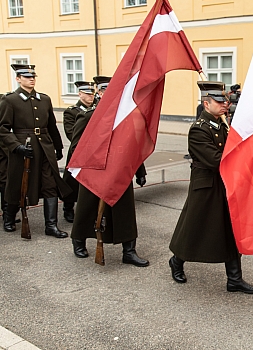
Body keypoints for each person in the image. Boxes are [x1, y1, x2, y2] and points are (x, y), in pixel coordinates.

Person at [168, 81, 253, 294]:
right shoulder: (199, 130)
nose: (224, 104)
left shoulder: (223, 126)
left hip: (225, 185)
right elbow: (216, 160)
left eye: (225, 101)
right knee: (195, 227)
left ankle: (234, 279)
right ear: (206, 104)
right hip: (206, 187)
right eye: (219, 101)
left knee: (232, 229)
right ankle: (177, 261)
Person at [70, 76, 149, 267]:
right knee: (86, 209)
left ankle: (129, 251)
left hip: (120, 171)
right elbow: (77, 147)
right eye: (106, 91)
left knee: (125, 211)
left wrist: (139, 171)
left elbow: (134, 147)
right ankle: (79, 240)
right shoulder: (89, 116)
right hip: (94, 172)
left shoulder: (127, 117)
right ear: (99, 93)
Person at [0, 64, 71, 236]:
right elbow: (2, 127)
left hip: (45, 147)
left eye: (33, 76)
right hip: (22, 147)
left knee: (50, 184)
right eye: (26, 77)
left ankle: (51, 226)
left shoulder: (44, 99)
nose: (31, 79)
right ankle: (9, 217)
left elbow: (52, 125)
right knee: (17, 184)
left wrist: (58, 146)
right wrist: (16, 146)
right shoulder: (10, 100)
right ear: (18, 79)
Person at [61, 81, 96, 223]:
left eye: (92, 93)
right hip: (78, 151)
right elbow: (71, 133)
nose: (90, 96)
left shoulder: (98, 109)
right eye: (87, 94)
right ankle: (68, 207)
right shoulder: (72, 111)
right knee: (72, 182)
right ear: (80, 94)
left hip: (94, 152)